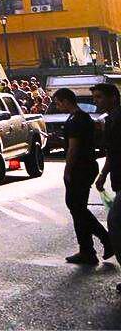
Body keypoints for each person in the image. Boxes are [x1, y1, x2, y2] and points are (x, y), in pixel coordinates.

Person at [52, 88, 112, 265]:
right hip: (86, 166)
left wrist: (67, 169)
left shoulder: (76, 120)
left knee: (77, 208)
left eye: (58, 102)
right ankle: (87, 249)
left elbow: (73, 147)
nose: (57, 106)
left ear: (65, 101)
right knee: (77, 208)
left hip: (80, 168)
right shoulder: (82, 117)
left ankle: (103, 240)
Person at [92, 81, 121, 294]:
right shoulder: (110, 120)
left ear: (113, 97)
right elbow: (112, 152)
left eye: (99, 97)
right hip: (118, 180)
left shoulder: (118, 119)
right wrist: (103, 174)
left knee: (115, 226)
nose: (96, 102)